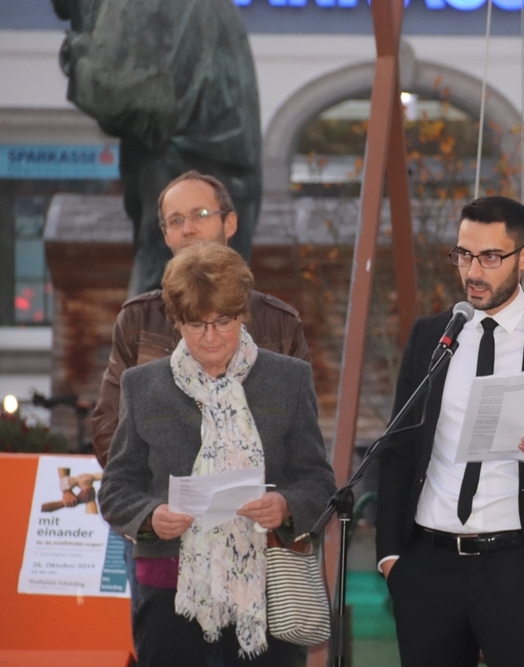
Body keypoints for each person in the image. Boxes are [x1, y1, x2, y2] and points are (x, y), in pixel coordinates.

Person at [376, 195, 524, 667]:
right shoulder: (431, 336)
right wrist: (391, 557)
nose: (473, 271)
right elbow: (398, 450)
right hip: (428, 567)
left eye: (490, 257)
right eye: (463, 254)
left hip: (521, 569)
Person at [98, 243, 336, 667]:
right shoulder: (141, 386)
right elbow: (116, 489)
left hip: (266, 588)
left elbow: (318, 482)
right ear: (176, 322)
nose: (210, 337)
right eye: (195, 324)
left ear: (242, 314)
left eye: (222, 321)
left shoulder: (289, 379)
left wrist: (285, 505)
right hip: (169, 594)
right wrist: (151, 516)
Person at [92, 170, 309, 469]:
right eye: (175, 221)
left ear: (229, 223)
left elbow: (302, 437)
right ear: (165, 234)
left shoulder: (280, 323)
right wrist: (153, 488)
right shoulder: (137, 319)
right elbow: (108, 424)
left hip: (259, 493)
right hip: (164, 495)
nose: (188, 229)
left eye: (200, 215)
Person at [53, 0, 262, 295]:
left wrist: (74, 52)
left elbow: (111, 90)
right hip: (220, 174)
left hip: (182, 174)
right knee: (205, 299)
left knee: (169, 301)